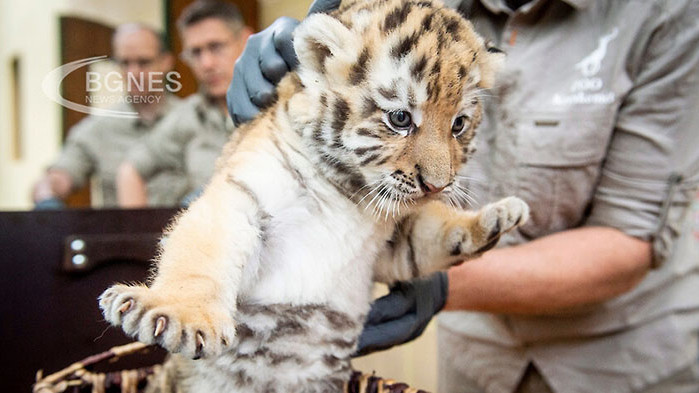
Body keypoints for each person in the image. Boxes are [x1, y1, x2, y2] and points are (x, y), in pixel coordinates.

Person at [228, 0, 699, 392]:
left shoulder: (665, 13)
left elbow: (624, 240)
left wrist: (442, 281)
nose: (438, 175)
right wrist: (291, 90)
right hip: (476, 360)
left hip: (616, 359)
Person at [32, 23, 185, 208]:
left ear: (166, 62)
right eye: (125, 63)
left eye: (143, 62)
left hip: (188, 233)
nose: (133, 73)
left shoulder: (192, 119)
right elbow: (60, 176)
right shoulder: (97, 129)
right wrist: (47, 194)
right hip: (123, 233)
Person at [116, 0, 252, 208]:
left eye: (216, 47)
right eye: (195, 52)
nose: (206, 64)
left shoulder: (281, 102)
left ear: (245, 39)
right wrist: (137, 235)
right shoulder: (187, 115)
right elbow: (130, 170)